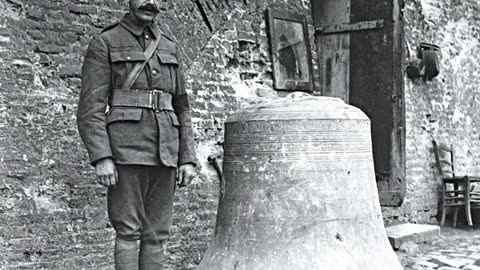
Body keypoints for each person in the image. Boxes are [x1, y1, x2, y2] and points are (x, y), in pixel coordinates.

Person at [76, 0, 197, 269]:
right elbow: (90, 108)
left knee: (158, 233)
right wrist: (102, 156)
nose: (150, 2)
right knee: (128, 230)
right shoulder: (106, 42)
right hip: (125, 152)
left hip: (166, 150)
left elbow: (183, 108)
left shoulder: (169, 46)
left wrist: (187, 156)